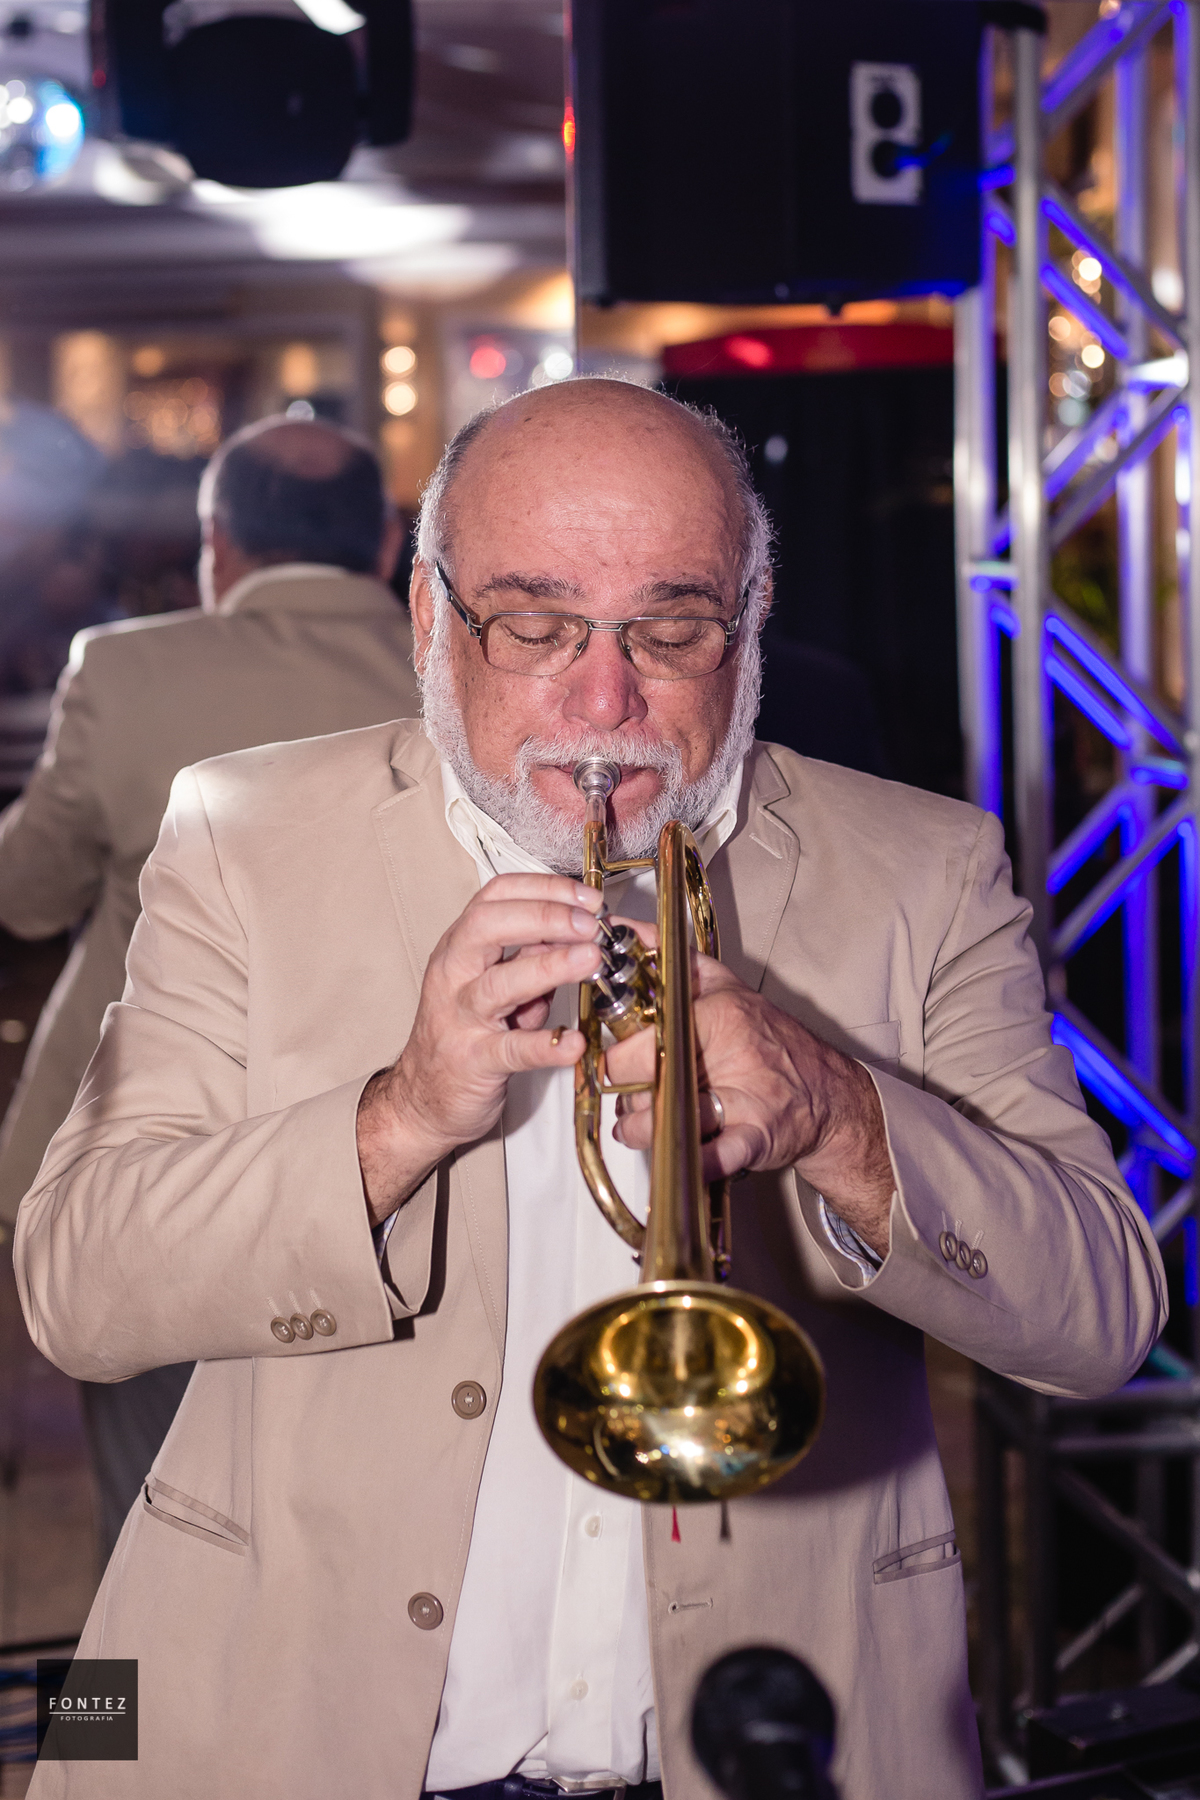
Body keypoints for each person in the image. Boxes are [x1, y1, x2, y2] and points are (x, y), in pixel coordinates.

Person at [15, 380, 1164, 1800]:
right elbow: (77, 1293)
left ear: (749, 624)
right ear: (430, 618)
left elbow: (1103, 1321)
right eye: (535, 625)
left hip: (771, 1748)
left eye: (670, 632)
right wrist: (397, 1118)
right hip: (284, 1734)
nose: (605, 701)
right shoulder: (242, 832)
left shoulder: (926, 869)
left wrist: (841, 1116)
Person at [0, 413, 420, 1558]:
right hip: (403, 1149)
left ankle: (133, 1682)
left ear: (216, 544)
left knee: (154, 1524)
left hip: (157, 1153)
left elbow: (27, 895)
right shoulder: (463, 670)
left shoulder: (124, 668)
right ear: (386, 544)